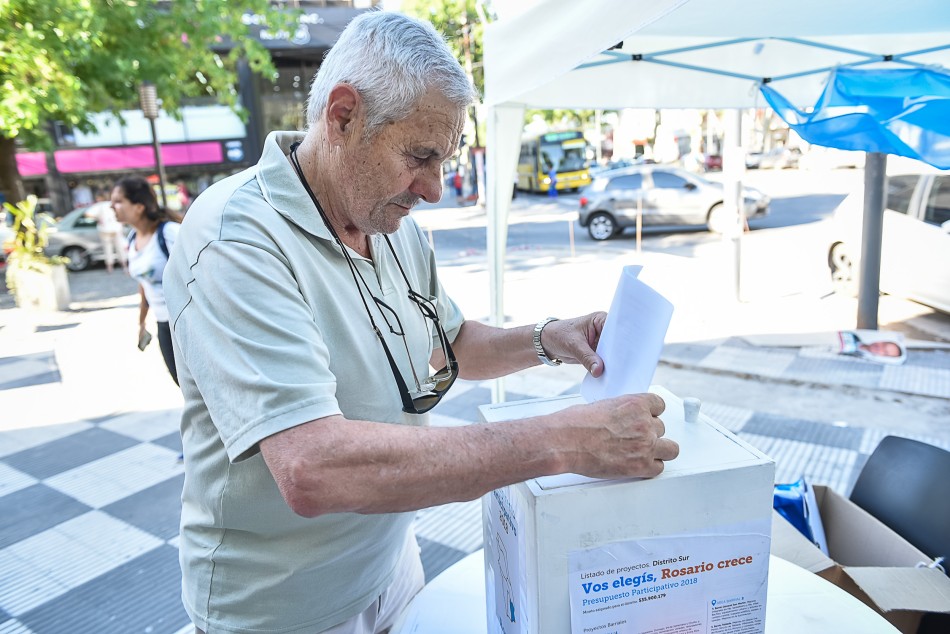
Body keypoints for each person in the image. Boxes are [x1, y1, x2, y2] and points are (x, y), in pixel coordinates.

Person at [163, 12, 678, 634]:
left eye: (445, 160)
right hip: (282, 610)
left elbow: (450, 342)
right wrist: (567, 440)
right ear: (343, 116)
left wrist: (549, 339)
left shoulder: (389, 225)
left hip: (390, 564)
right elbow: (313, 468)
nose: (433, 190)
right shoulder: (235, 238)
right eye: (419, 156)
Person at [111, 176, 180, 385]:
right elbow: (145, 285)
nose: (112, 207)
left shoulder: (169, 233)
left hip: (187, 323)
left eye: (118, 201)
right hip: (163, 324)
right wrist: (141, 322)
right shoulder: (132, 238)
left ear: (139, 206)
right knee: (184, 387)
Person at [85, 200, 127, 273]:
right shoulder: (114, 204)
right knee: (119, 248)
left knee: (108, 249)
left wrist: (97, 219)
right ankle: (124, 266)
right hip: (115, 228)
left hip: (105, 229)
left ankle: (110, 268)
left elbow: (87, 214)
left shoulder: (99, 205)